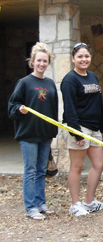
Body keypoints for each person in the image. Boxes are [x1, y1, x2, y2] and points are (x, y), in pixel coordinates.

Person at [8, 42, 58, 220]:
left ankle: (40, 203)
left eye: (45, 61)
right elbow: (12, 106)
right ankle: (31, 207)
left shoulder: (51, 84)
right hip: (28, 135)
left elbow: (53, 110)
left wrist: (53, 132)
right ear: (33, 61)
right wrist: (19, 109)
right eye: (39, 60)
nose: (42, 64)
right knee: (30, 170)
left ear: (48, 62)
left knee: (40, 171)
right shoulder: (24, 83)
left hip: (45, 135)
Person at [61, 43, 103, 216]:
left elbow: (98, 103)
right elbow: (70, 108)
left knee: (99, 163)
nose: (84, 59)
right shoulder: (70, 80)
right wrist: (75, 132)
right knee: (77, 166)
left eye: (86, 56)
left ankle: (89, 202)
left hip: (94, 127)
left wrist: (102, 127)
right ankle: (75, 204)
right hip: (79, 127)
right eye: (80, 56)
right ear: (73, 59)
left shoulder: (93, 76)